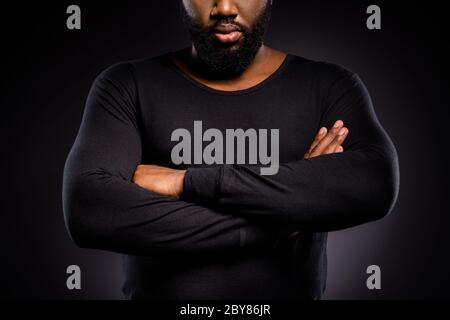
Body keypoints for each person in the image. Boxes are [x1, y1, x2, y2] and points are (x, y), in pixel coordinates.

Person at [62, 0, 399, 300]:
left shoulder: (328, 86)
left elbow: (375, 183)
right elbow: (89, 209)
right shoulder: (127, 85)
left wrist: (185, 183)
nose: (224, 7)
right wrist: (284, 220)